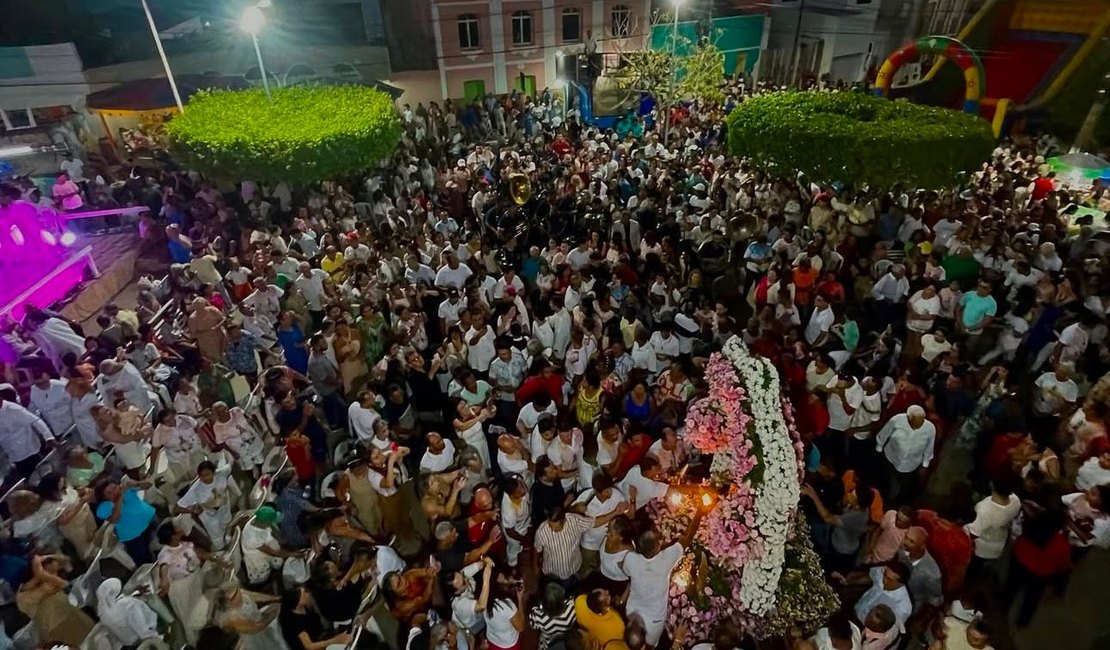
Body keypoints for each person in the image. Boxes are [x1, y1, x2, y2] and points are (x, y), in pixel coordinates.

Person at [95, 578, 161, 647]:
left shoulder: (104, 616)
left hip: (131, 645)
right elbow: (140, 624)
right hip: (146, 638)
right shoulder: (125, 603)